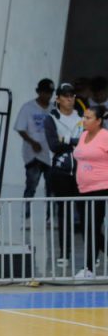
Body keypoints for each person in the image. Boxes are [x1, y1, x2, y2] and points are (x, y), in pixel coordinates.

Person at [73, 105, 108, 278]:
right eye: (84, 117)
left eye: (88, 118)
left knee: (92, 227)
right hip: (83, 189)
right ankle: (89, 267)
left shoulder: (105, 136)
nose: (84, 121)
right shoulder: (83, 136)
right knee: (86, 227)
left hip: (101, 188)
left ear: (99, 121)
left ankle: (89, 268)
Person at [15, 78, 54, 212]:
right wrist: (32, 142)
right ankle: (26, 215)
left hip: (50, 154)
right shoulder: (28, 107)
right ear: (38, 91)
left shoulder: (54, 108)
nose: (48, 95)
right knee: (31, 186)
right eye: (45, 92)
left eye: (50, 93)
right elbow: (20, 128)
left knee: (51, 188)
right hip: (33, 155)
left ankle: (50, 216)